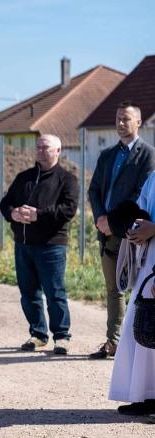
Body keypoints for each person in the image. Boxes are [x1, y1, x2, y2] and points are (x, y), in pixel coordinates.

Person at [0, 134, 78, 355]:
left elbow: (68, 210)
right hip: (23, 244)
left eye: (46, 147)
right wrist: (13, 213)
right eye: (39, 147)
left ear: (58, 151)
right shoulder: (24, 177)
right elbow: (5, 203)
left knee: (54, 292)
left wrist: (38, 215)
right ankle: (38, 334)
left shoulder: (67, 179)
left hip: (51, 245)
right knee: (29, 292)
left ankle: (62, 336)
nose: (41, 151)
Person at [88, 102, 155, 359]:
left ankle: (138, 342)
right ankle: (113, 342)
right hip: (106, 233)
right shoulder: (107, 155)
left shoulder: (147, 154)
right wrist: (100, 219)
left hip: (134, 234)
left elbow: (142, 196)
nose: (120, 123)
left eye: (126, 119)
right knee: (114, 289)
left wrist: (115, 222)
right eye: (117, 118)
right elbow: (94, 190)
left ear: (138, 122)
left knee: (138, 288)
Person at [108, 172, 155, 416]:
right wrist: (133, 228)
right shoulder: (153, 177)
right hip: (149, 259)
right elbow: (143, 211)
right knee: (144, 326)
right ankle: (145, 395)